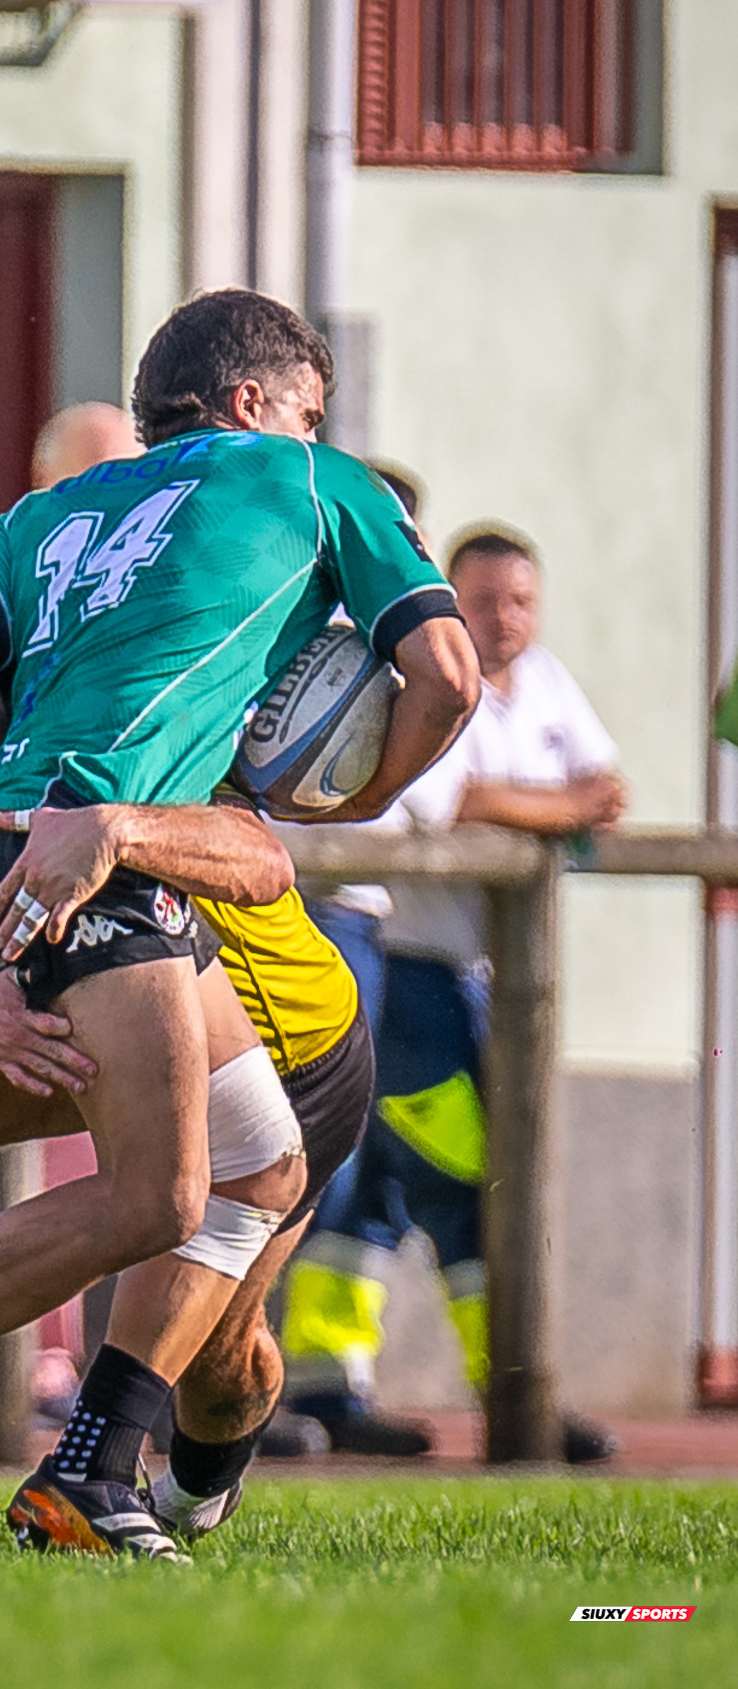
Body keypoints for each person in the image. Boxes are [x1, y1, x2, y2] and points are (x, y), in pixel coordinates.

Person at [0, 289, 480, 1555]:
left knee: (221, 1339)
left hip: (293, 1040)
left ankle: (105, 1457)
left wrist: (109, 823)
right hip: (104, 985)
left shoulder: (120, 684)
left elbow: (257, 860)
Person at [279, 522, 626, 1462]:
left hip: (489, 978)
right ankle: (515, 1393)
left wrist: (549, 806)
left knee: (373, 1192)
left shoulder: (545, 682)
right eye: (483, 601)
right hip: (410, 973)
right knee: (468, 1177)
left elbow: (608, 788)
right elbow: (457, 801)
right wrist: (557, 808)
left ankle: (327, 1386)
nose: (503, 620)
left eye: (521, 601)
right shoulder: (431, 673)